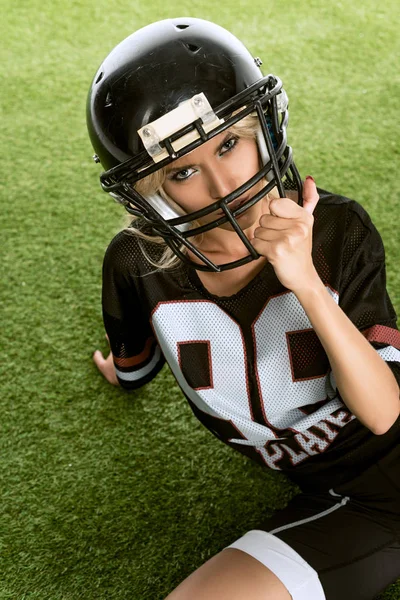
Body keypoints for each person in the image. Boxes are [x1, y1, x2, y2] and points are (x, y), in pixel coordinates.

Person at [86, 17, 400, 600]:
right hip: (355, 503)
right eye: (183, 171)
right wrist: (127, 369)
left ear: (263, 129)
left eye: (229, 143)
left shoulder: (335, 229)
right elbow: (137, 357)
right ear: (152, 190)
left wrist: (304, 281)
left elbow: (383, 411)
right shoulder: (136, 263)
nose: (224, 183)